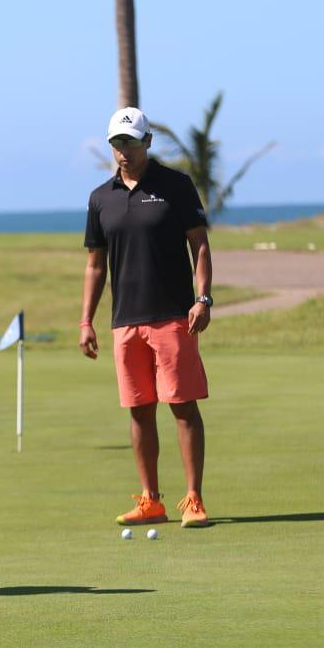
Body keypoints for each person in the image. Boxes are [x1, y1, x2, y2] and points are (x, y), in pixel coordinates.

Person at [79, 107, 214, 529]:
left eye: (131, 142)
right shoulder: (101, 198)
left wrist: (203, 299)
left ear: (147, 142)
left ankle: (193, 499)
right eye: (117, 143)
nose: (124, 151)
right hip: (126, 321)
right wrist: (86, 320)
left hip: (173, 316)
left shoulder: (176, 186)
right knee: (139, 410)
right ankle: (150, 500)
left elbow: (200, 245)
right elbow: (95, 266)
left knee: (183, 407)